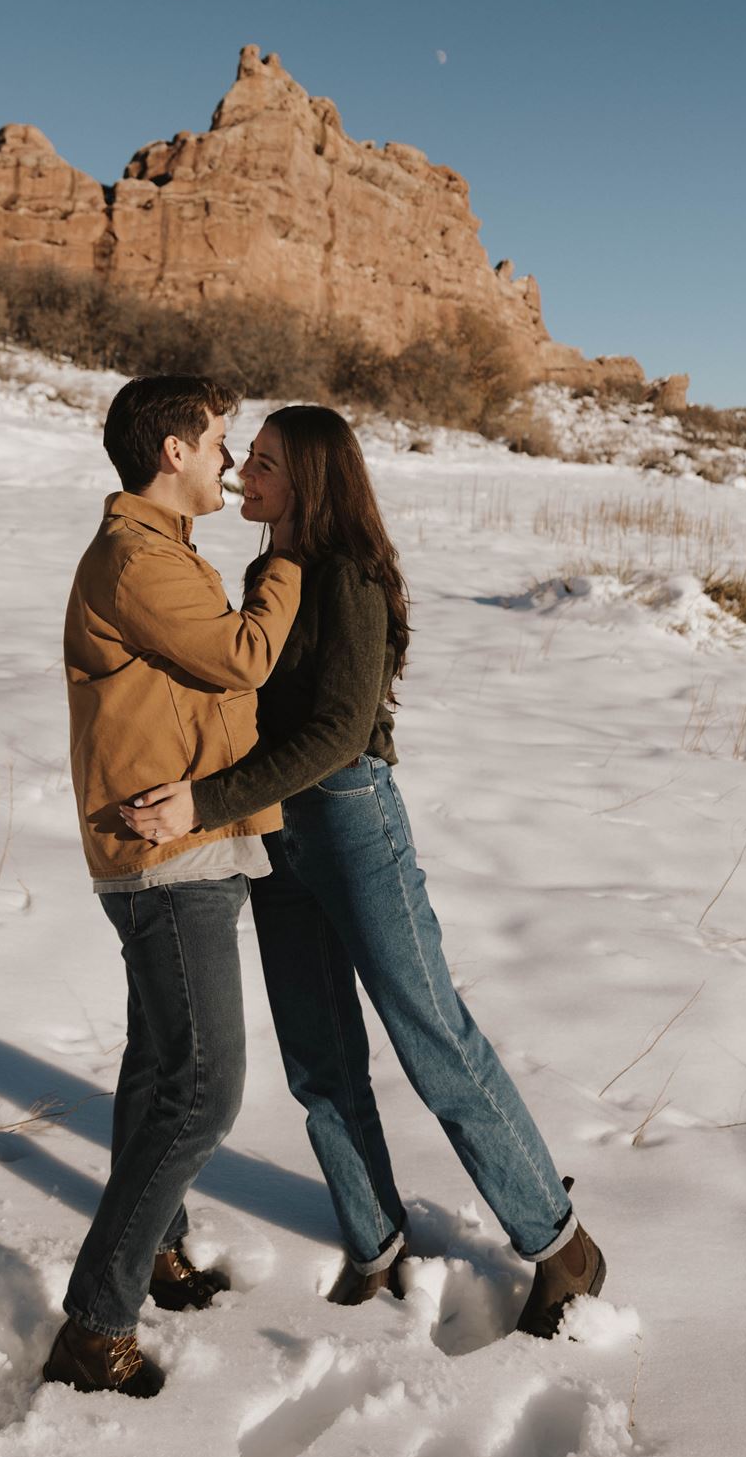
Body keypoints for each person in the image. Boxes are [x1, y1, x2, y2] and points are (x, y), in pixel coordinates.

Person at [125, 404, 606, 1339]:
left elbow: (339, 732)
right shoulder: (272, 571)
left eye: (263, 464)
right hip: (276, 830)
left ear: (310, 480)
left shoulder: (346, 577)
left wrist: (208, 801)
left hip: (349, 821)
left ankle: (558, 1245)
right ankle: (377, 1246)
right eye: (244, 459)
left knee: (432, 1037)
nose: (242, 476)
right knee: (317, 1057)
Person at [41, 376, 302, 1398]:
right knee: (206, 1086)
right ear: (172, 449)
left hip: (180, 840)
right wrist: (285, 557)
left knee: (158, 1067)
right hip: (164, 854)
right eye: (219, 443)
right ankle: (94, 1322)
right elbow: (242, 656)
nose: (231, 463)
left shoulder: (162, 552)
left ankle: (154, 1245)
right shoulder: (138, 556)